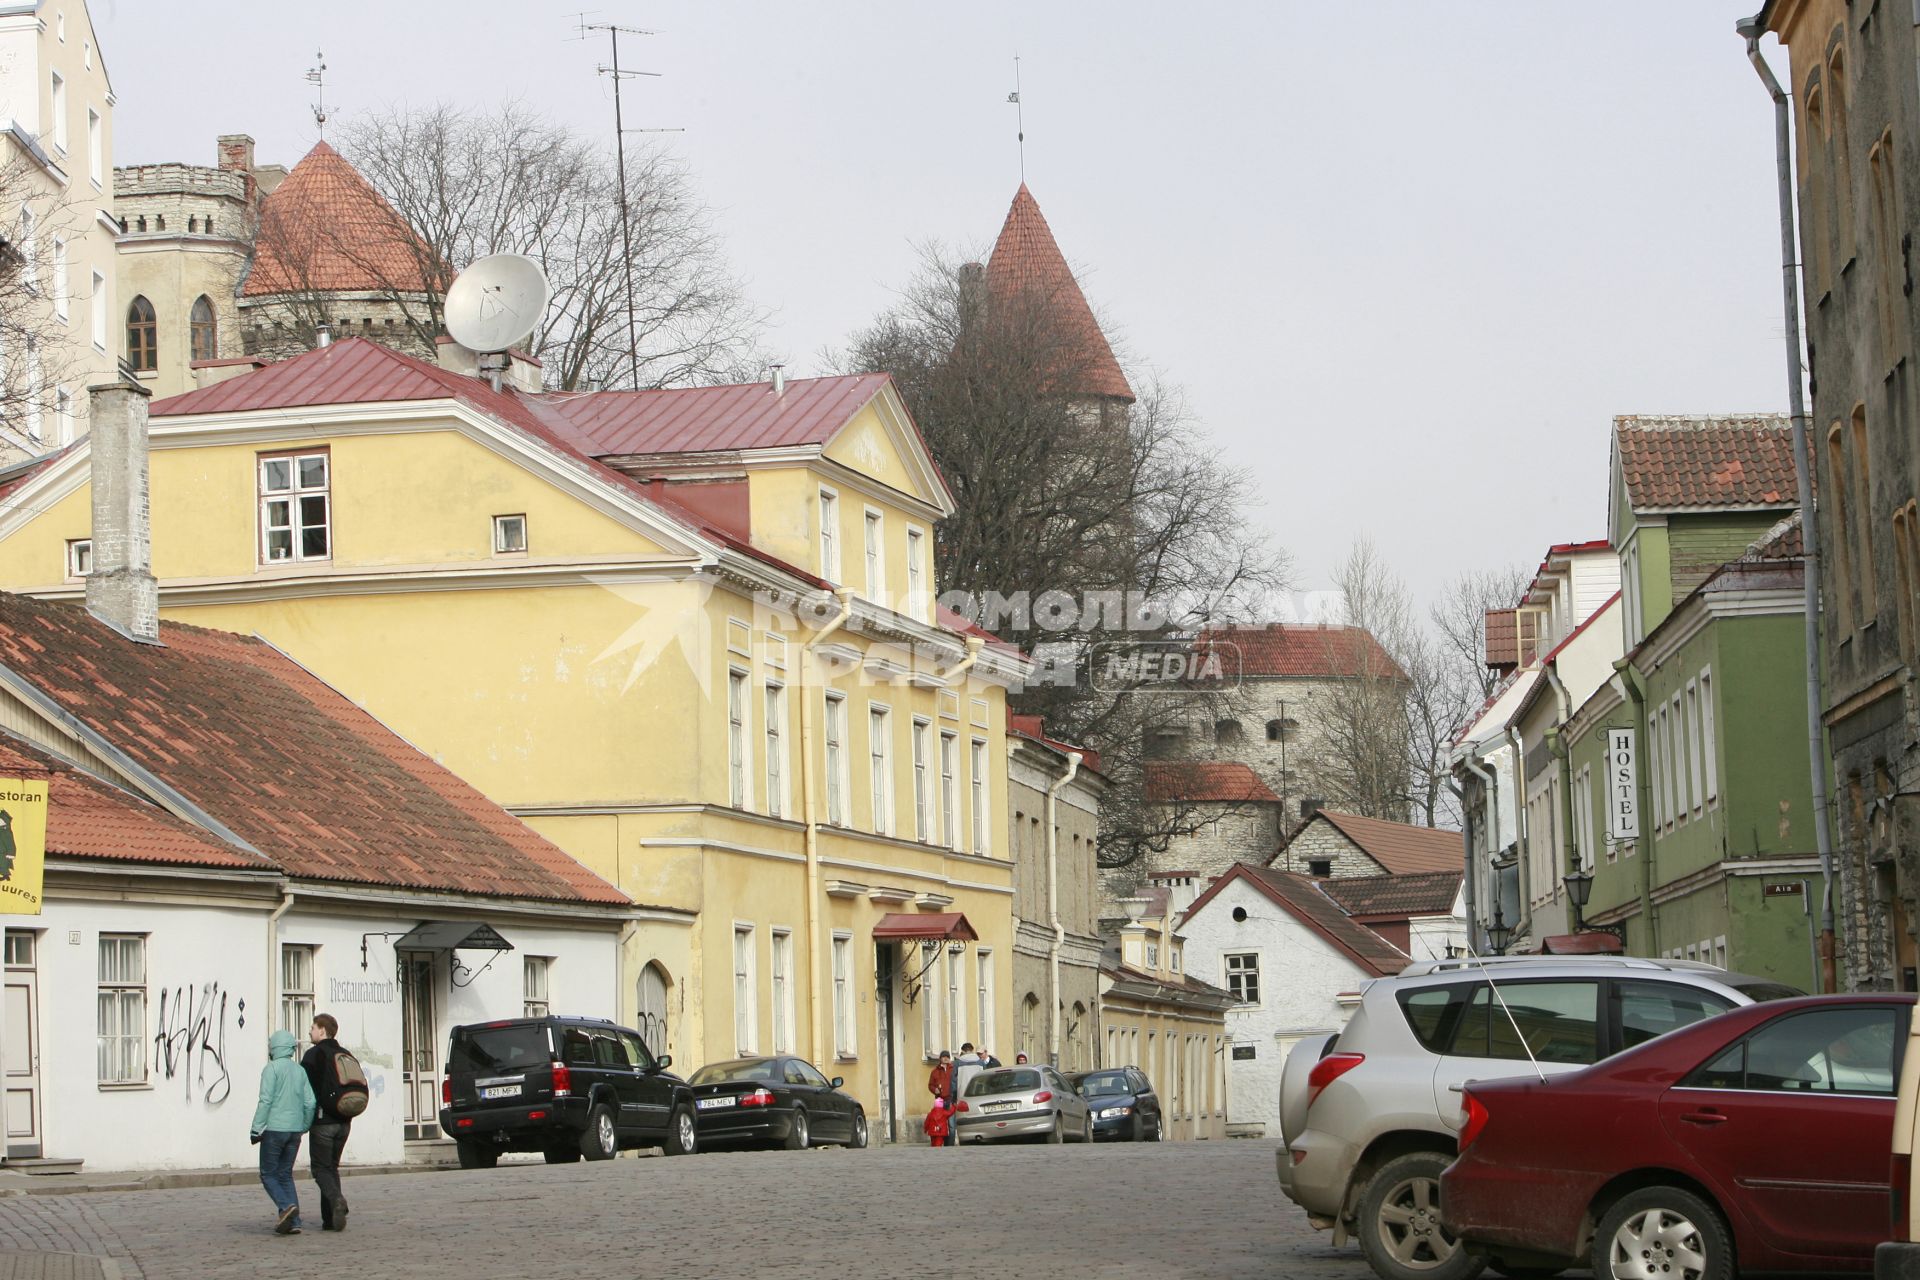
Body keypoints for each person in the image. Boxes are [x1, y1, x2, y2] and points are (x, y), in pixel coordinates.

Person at [251, 1028, 317, 1235]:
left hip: (274, 1129)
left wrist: (256, 1128)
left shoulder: (271, 1069)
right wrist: (304, 1125)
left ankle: (285, 1206)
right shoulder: (300, 1070)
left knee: (268, 1174)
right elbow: (310, 1102)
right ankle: (295, 1221)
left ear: (274, 1048)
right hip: (294, 1130)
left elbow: (266, 1100)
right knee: (285, 1175)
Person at [301, 1013, 352, 1232]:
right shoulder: (344, 1054)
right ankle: (329, 1219)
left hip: (323, 1121)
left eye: (312, 1027)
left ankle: (337, 1199)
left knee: (320, 1169)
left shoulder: (314, 1055)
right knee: (332, 1168)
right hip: (344, 1120)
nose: (309, 1031)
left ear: (322, 1030)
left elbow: (305, 1089)